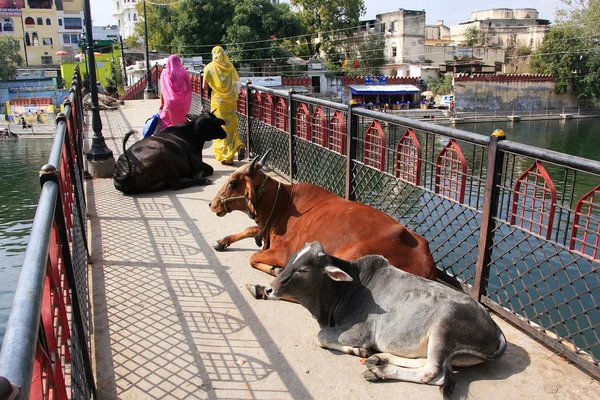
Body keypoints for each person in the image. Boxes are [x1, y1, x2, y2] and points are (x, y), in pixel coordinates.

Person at [202, 46, 245, 165]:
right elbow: (237, 84)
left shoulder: (209, 68)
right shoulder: (230, 67)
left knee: (220, 127)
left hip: (218, 102)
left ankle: (228, 157)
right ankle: (238, 146)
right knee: (230, 128)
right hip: (230, 102)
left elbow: (204, 87)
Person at [159, 54, 192, 128]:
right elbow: (189, 89)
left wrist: (162, 103)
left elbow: (163, 90)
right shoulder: (183, 72)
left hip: (169, 103)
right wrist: (182, 96)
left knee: (165, 123)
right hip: (181, 103)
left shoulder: (164, 73)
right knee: (180, 124)